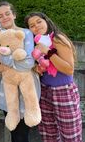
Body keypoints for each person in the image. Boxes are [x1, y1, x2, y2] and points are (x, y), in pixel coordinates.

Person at [24, 12, 82, 142]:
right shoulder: (36, 44)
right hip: (44, 91)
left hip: (63, 91)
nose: (36, 26)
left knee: (70, 135)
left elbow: (69, 69)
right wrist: (37, 69)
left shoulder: (57, 38)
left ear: (46, 21)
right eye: (32, 25)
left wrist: (48, 52)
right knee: (48, 134)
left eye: (39, 21)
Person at [0, 1, 41, 142]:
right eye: (0, 16)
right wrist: (2, 60)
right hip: (8, 93)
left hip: (27, 92)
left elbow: (28, 63)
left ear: (14, 15)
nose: (5, 17)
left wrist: (3, 57)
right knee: (14, 134)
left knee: (22, 136)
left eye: (7, 13)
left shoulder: (25, 33)